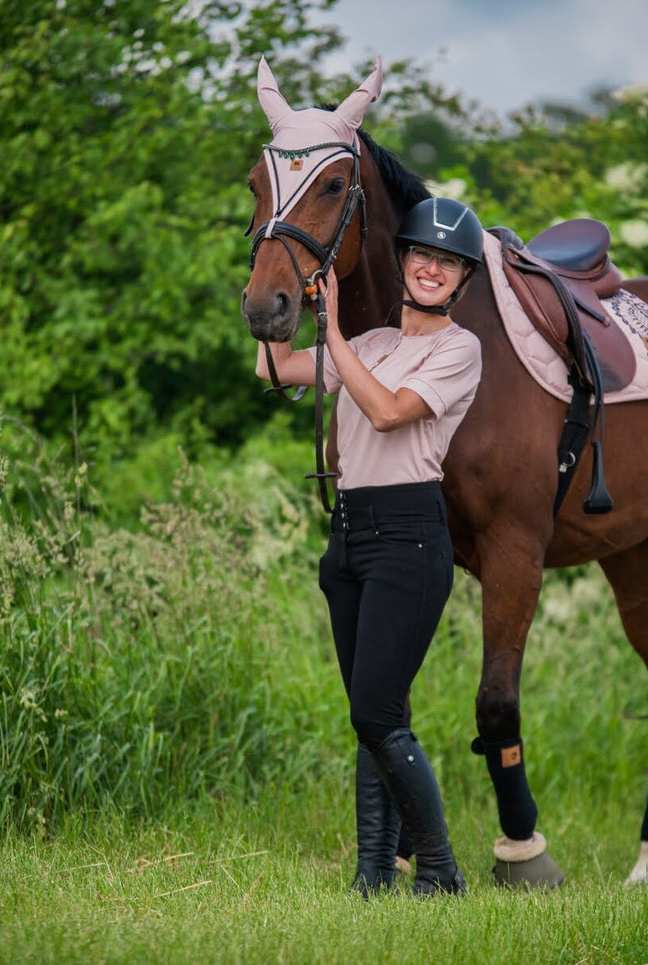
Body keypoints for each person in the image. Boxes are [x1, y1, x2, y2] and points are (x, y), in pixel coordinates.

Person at [254, 197, 485, 896]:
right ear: (402, 261)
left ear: (462, 279)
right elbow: (274, 369)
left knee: (376, 711)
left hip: (409, 538)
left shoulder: (457, 349)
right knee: (371, 712)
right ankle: (372, 871)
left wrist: (334, 329)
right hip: (349, 535)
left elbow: (386, 413)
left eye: (448, 262)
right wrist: (274, 293)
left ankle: (439, 870)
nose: (432, 268)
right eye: (422, 255)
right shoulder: (376, 344)